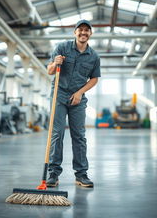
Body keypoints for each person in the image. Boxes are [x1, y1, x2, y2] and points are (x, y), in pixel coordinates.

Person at [46, 19, 101, 188]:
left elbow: (94, 79)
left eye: (87, 30)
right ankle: (53, 174)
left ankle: (81, 175)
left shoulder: (94, 56)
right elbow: (49, 71)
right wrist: (55, 63)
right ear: (75, 32)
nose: (83, 33)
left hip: (78, 98)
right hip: (59, 95)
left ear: (90, 34)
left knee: (79, 136)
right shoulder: (62, 48)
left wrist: (79, 93)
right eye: (80, 30)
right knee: (57, 134)